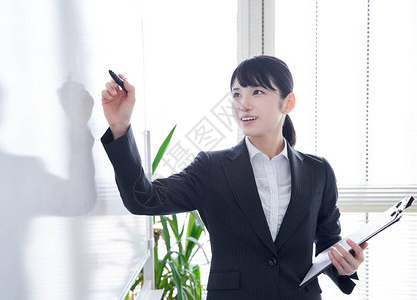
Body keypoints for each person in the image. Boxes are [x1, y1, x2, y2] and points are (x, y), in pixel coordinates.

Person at [100, 55, 367, 299]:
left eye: (257, 92)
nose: (244, 104)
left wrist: (344, 264)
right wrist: (120, 126)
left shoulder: (317, 171)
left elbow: (328, 242)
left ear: (288, 102)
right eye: (237, 94)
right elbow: (142, 199)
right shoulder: (212, 168)